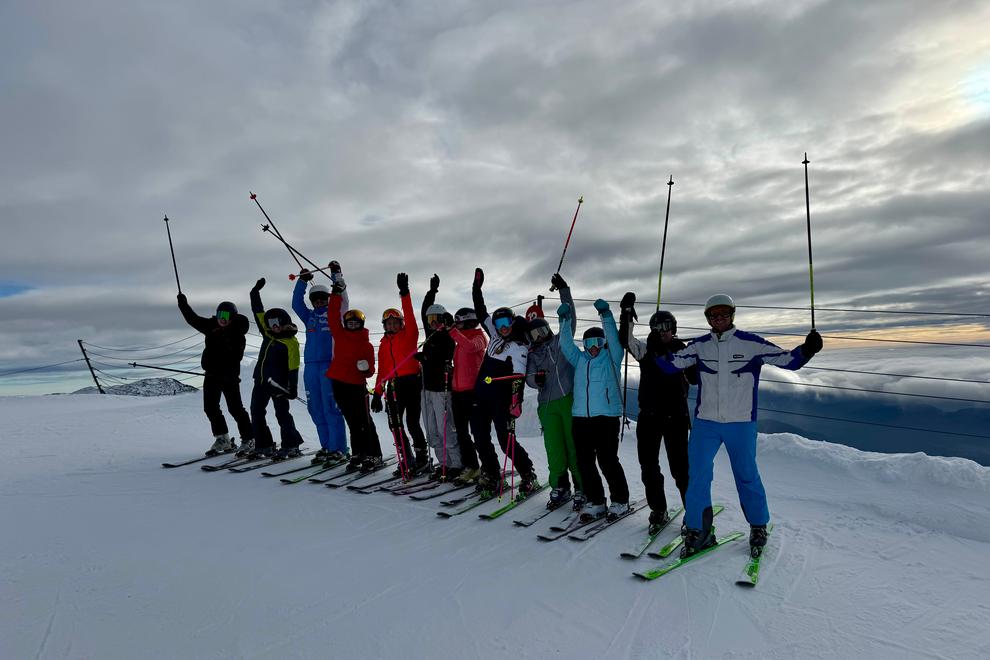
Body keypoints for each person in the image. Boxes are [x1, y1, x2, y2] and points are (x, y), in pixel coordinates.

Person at [655, 293, 823, 557]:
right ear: (708, 319)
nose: (719, 319)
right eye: (713, 315)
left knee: (746, 474)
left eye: (723, 314)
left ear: (732, 314)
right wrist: (660, 345)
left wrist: (808, 349)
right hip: (706, 423)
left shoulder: (751, 343)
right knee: (697, 475)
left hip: (741, 423)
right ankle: (699, 530)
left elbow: (788, 360)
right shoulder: (699, 346)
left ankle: (758, 525)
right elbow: (670, 366)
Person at [619, 293, 697, 536]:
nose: (662, 331)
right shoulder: (645, 350)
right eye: (657, 327)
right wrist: (626, 313)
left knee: (680, 469)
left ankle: (692, 514)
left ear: (674, 329)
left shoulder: (682, 351)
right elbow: (626, 340)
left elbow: (693, 379)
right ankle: (659, 510)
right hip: (649, 416)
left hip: (676, 416)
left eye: (667, 327)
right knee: (648, 466)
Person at [557, 298, 630, 522]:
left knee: (608, 460)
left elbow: (615, 340)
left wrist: (606, 315)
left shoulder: (612, 357)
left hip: (606, 417)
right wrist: (564, 320)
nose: (593, 347)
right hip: (581, 418)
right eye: (588, 343)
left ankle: (620, 500)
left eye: (597, 342)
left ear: (604, 342)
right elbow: (565, 345)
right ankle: (596, 501)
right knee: (584, 462)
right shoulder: (580, 360)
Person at [470, 267, 540, 496]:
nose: (502, 327)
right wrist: (476, 288)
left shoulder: (519, 346)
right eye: (499, 323)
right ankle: (490, 473)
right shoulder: (495, 335)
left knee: (505, 442)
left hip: (502, 401)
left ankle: (528, 473)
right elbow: (481, 312)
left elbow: (518, 378)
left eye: (506, 322)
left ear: (513, 321)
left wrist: (515, 402)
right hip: (481, 396)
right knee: (480, 437)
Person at [525, 273, 583, 510]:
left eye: (543, 331)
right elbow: (527, 377)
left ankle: (582, 487)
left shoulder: (561, 342)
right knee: (554, 448)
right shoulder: (533, 354)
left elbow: (569, 316)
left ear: (549, 329)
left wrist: (564, 290)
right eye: (535, 335)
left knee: (574, 446)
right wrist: (535, 379)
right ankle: (560, 485)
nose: (540, 337)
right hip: (547, 406)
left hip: (569, 400)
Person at [176, 293, 253, 456]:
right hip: (211, 375)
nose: (222, 318)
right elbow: (193, 319)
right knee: (210, 408)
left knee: (236, 409)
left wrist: (223, 337)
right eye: (219, 315)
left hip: (229, 377)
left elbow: (236, 356)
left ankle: (249, 439)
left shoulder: (238, 333)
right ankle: (222, 438)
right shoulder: (211, 326)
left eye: (226, 316)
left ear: (232, 318)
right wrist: (183, 304)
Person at [370, 273, 428, 478]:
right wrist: (377, 393)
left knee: (412, 422)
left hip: (411, 382)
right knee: (395, 424)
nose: (392, 326)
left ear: (401, 324)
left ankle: (422, 458)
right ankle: (407, 458)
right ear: (384, 326)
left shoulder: (409, 335)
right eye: (389, 323)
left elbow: (410, 314)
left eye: (396, 322)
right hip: (393, 386)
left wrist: (404, 292)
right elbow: (382, 370)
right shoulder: (384, 344)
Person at [291, 262, 348, 465]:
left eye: (323, 298)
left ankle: (339, 449)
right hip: (311, 367)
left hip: (328, 365)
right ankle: (326, 446)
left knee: (331, 408)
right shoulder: (309, 317)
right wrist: (302, 282)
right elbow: (296, 304)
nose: (319, 302)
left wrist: (336, 274)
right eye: (315, 299)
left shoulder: (336, 313)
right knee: (315, 408)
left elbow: (342, 297)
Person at [325, 274, 383, 472]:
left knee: (364, 421)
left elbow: (371, 372)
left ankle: (374, 454)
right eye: (349, 322)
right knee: (351, 420)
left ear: (361, 324)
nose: (351, 325)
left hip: (356, 385)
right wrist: (335, 293)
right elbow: (332, 315)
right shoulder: (340, 335)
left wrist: (366, 368)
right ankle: (359, 453)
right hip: (339, 383)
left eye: (355, 323)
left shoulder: (366, 345)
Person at [246, 277, 304, 460]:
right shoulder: (268, 333)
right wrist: (254, 293)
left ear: (284, 322)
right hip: (261, 381)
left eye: (277, 323)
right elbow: (258, 311)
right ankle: (264, 445)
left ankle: (291, 445)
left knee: (282, 414)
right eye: (271, 323)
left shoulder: (290, 343)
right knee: (256, 412)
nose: (273, 326)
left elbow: (293, 366)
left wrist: (292, 387)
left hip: (280, 385)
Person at [417, 274, 463, 481]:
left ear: (444, 320)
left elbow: (443, 356)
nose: (432, 323)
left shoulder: (447, 337)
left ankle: (456, 464)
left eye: (437, 320)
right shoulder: (430, 335)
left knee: (446, 429)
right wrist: (432, 291)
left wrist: (426, 357)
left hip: (441, 390)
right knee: (431, 429)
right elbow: (425, 308)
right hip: (426, 387)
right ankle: (443, 463)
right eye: (430, 320)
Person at [448, 306, 486, 484]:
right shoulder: (459, 341)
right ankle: (472, 466)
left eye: (459, 322)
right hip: (458, 392)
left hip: (473, 392)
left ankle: (487, 468)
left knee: (478, 432)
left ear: (470, 321)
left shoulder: (479, 337)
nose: (457, 325)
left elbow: (471, 348)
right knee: (461, 432)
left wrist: (453, 332)